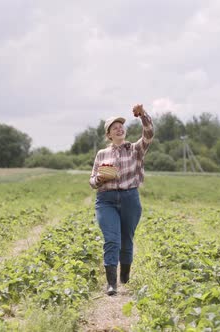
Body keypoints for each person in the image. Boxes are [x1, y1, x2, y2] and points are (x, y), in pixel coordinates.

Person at [89, 104, 154, 295]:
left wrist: (143, 115)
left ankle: (124, 276)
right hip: (106, 200)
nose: (119, 128)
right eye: (114, 127)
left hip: (129, 198)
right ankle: (112, 284)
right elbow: (92, 180)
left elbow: (149, 135)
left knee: (127, 239)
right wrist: (100, 178)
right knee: (111, 239)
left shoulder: (135, 149)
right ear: (109, 134)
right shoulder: (102, 154)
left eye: (121, 126)